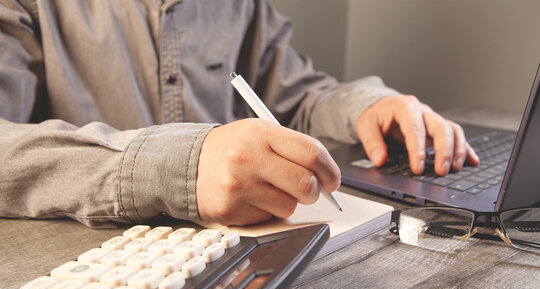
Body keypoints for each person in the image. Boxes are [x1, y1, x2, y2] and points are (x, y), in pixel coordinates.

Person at [0, 0, 478, 228]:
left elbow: (292, 97)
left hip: (239, 254)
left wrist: (367, 106)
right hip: (90, 272)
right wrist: (177, 167)